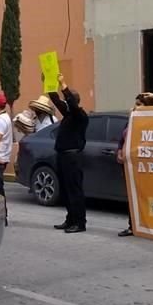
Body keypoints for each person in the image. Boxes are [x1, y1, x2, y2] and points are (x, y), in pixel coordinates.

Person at [49, 74, 89, 234]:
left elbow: (70, 103)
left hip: (73, 157)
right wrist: (49, 84)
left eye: (68, 102)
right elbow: (57, 101)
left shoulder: (80, 116)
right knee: (65, 190)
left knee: (74, 190)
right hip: (63, 156)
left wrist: (63, 84)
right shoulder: (68, 115)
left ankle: (80, 223)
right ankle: (70, 219)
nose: (64, 105)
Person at [117, 93, 153, 237]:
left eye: (140, 104)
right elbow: (122, 138)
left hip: (147, 166)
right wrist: (119, 150)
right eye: (136, 104)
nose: (136, 107)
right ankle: (133, 226)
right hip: (130, 166)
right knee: (132, 196)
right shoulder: (130, 120)